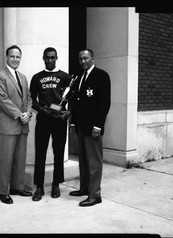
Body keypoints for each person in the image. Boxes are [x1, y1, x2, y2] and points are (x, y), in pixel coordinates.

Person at [69, 49, 111, 207]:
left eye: (86, 58)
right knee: (84, 161)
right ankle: (85, 188)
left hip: (93, 128)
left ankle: (95, 195)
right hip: (81, 126)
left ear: (93, 58)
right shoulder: (80, 77)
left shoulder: (102, 76)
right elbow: (77, 103)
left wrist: (98, 125)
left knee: (94, 162)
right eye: (80, 59)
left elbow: (104, 103)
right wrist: (73, 123)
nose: (83, 61)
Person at [30, 47, 72, 202]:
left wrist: (68, 113)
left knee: (59, 153)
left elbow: (71, 99)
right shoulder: (37, 77)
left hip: (59, 120)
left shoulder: (65, 77)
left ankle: (56, 184)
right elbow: (31, 100)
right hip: (43, 119)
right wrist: (42, 109)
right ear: (43, 58)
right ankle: (39, 187)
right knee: (40, 153)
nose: (49, 60)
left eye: (52, 57)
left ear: (56, 58)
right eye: (47, 57)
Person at [0, 45, 33, 204]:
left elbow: (28, 98)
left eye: (18, 57)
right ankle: (3, 192)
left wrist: (28, 113)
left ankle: (17, 187)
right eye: (12, 56)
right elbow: (3, 100)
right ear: (7, 57)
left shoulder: (22, 77)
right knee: (6, 160)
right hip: (9, 124)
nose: (15, 59)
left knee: (20, 159)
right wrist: (19, 114)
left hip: (23, 124)